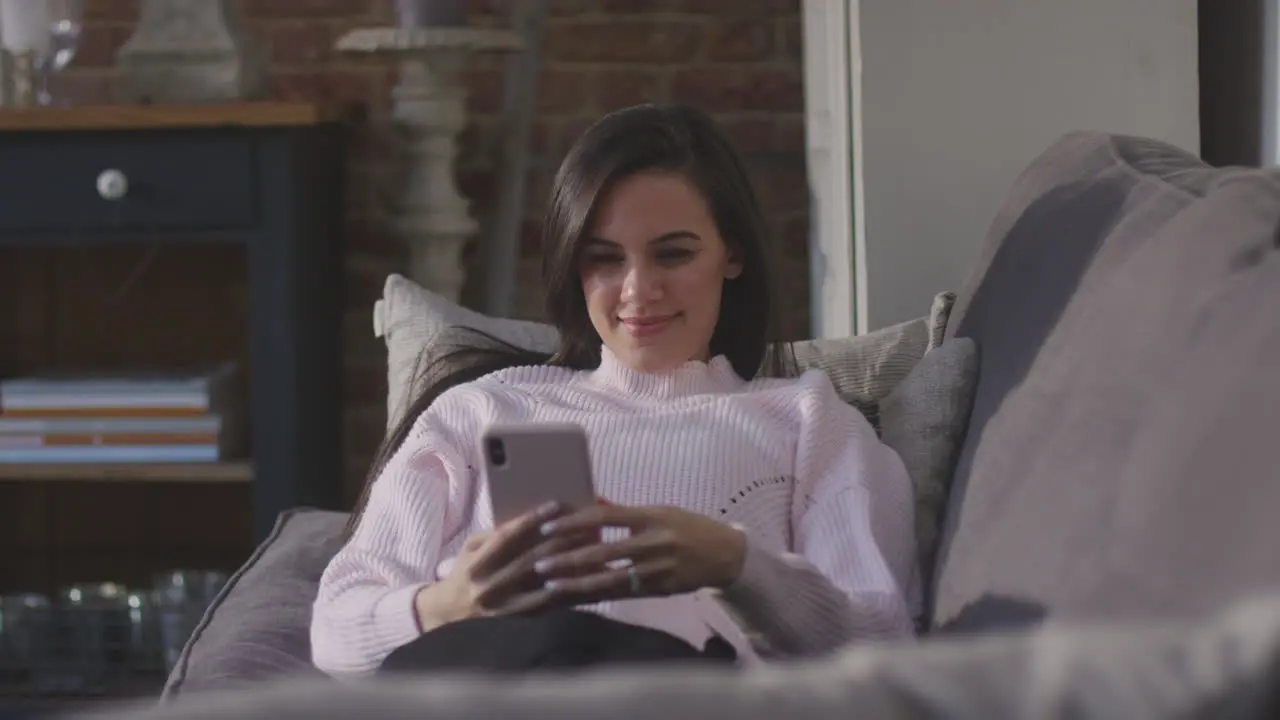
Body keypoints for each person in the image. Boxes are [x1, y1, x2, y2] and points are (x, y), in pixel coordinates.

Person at [311, 103, 919, 677]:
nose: (637, 290)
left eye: (673, 254)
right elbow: (334, 631)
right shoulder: (479, 408)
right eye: (603, 259)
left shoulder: (809, 422)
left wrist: (735, 564)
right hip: (486, 678)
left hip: (675, 691)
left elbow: (879, 642)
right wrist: (450, 603)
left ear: (732, 253)